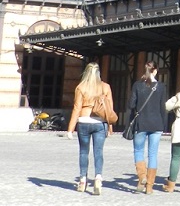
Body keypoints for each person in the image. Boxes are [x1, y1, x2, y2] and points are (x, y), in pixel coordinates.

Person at [66, 62, 115, 195]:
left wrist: (70, 129)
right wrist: (110, 127)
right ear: (99, 72)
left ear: (86, 72)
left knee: (83, 152)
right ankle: (98, 178)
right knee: (98, 152)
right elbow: (109, 109)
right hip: (100, 122)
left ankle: (82, 180)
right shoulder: (105, 87)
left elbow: (76, 108)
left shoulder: (81, 87)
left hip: (83, 121)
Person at [127, 61, 168, 194]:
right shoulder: (161, 87)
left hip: (141, 123)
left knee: (138, 151)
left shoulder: (138, 85)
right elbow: (163, 108)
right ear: (155, 71)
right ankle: (149, 187)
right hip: (157, 124)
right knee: (153, 154)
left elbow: (131, 105)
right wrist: (164, 125)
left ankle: (142, 177)